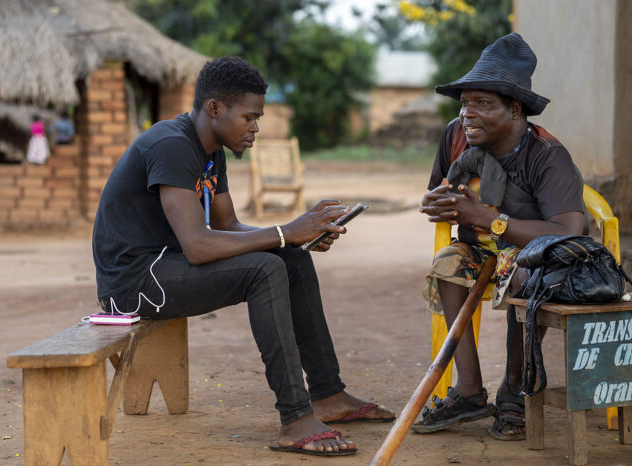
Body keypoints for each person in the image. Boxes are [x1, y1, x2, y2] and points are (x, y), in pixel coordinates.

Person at [91, 56, 394, 456]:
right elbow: (199, 245)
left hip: (167, 265)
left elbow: (229, 224)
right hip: (133, 284)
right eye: (250, 117)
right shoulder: (171, 145)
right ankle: (295, 418)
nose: (256, 129)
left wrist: (295, 238)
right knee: (265, 269)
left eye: (258, 118)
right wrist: (284, 233)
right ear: (215, 108)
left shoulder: (210, 150)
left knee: (293, 260)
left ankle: (327, 396)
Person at [415, 33, 586, 440]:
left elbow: (566, 232)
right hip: (480, 249)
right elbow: (439, 188)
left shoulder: (547, 156)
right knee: (447, 263)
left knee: (525, 278)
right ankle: (469, 389)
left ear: (515, 109)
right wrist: (434, 203)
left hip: (536, 254)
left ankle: (515, 391)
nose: (468, 114)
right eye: (465, 102)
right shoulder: (457, 135)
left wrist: (487, 218)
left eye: (483, 104)